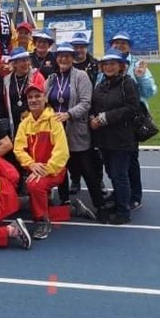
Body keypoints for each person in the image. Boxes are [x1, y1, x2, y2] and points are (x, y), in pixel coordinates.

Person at [45, 43, 104, 221]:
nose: (63, 59)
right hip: (56, 131)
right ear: (56, 58)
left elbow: (86, 103)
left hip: (76, 129)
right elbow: (45, 102)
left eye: (67, 56)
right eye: (60, 56)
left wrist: (68, 114)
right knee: (60, 168)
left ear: (72, 58)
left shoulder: (81, 76)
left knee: (87, 169)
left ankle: (99, 204)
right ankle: (64, 203)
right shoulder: (52, 78)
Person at [13, 82, 72, 239]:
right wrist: (31, 165)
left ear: (45, 98)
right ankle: (70, 210)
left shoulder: (54, 120)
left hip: (53, 170)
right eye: (30, 97)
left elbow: (62, 152)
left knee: (34, 185)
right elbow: (18, 149)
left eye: (37, 96)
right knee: (30, 195)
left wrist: (45, 169)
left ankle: (42, 221)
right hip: (34, 170)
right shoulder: (25, 123)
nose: (34, 100)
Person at [90, 49, 140, 225]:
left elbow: (133, 108)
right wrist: (92, 118)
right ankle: (120, 202)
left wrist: (105, 118)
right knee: (111, 172)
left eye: (113, 63)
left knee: (119, 174)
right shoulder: (101, 85)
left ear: (121, 66)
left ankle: (123, 211)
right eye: (106, 64)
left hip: (122, 138)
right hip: (104, 139)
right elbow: (93, 106)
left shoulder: (128, 83)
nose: (109, 67)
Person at [110, 31, 158, 211]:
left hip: (132, 121)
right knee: (114, 160)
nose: (120, 45)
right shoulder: (108, 62)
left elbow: (150, 92)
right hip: (112, 119)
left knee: (130, 160)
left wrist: (140, 76)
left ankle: (135, 195)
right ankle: (120, 192)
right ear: (111, 45)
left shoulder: (138, 65)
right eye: (116, 43)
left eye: (124, 43)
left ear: (130, 46)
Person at [70, 33, 103, 196]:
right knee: (73, 152)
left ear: (86, 47)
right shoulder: (66, 64)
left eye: (81, 46)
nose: (78, 50)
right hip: (72, 116)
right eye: (75, 47)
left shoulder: (96, 65)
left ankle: (98, 181)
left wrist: (95, 114)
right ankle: (75, 180)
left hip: (91, 114)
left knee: (95, 152)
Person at [3, 47, 44, 138]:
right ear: (14, 63)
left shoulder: (37, 76)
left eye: (27, 60)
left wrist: (31, 113)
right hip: (15, 123)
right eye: (22, 61)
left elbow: (43, 99)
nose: (26, 63)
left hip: (34, 121)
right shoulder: (7, 80)